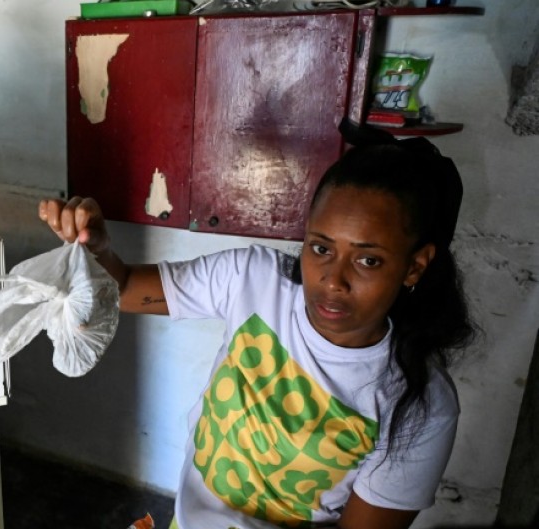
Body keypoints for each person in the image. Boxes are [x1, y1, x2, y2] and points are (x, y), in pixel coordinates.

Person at [38, 124, 475, 529]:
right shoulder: (255, 280)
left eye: (368, 260)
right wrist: (96, 247)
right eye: (320, 248)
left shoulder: (419, 404)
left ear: (414, 267)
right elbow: (129, 287)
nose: (333, 280)